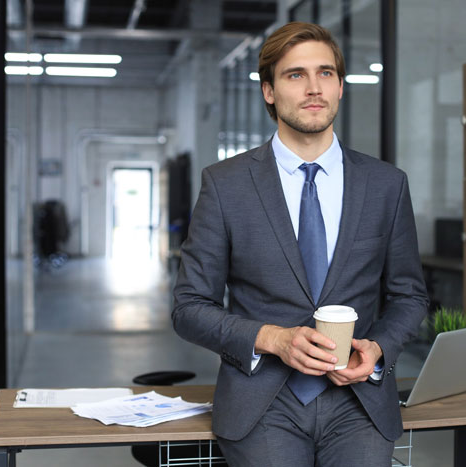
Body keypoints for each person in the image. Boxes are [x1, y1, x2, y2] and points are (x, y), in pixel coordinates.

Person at [172, 21, 428, 467]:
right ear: (269, 91)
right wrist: (271, 337)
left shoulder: (387, 185)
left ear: (341, 87)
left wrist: (379, 348)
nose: (314, 88)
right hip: (263, 402)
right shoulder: (226, 185)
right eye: (295, 75)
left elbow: (409, 296)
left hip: (359, 403)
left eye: (325, 73)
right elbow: (189, 306)